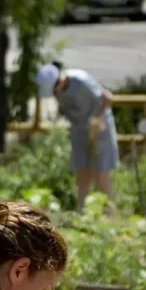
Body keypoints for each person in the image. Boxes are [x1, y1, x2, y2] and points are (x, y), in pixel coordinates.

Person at [36, 62, 118, 209]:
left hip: (100, 128)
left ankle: (110, 212)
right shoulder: (57, 91)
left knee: (100, 175)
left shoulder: (81, 81)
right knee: (81, 173)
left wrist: (96, 124)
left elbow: (105, 99)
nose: (54, 93)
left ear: (60, 81)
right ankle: (81, 211)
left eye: (54, 89)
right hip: (79, 130)